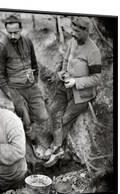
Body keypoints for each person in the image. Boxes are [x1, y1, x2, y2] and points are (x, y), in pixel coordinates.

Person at [45, 16, 102, 167]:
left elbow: (97, 78)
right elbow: (65, 59)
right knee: (52, 110)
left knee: (64, 119)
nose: (74, 34)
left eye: (77, 32)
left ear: (86, 31)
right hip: (66, 86)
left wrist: (76, 81)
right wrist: (62, 72)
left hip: (82, 94)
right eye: (73, 30)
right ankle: (55, 142)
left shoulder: (93, 51)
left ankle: (56, 149)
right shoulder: (72, 42)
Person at [0, 13, 49, 143]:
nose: (13, 36)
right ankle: (32, 139)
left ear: (21, 29)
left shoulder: (28, 42)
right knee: (24, 116)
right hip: (15, 88)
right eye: (10, 33)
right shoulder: (1, 48)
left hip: (30, 86)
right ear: (6, 31)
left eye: (16, 32)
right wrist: (10, 93)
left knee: (43, 116)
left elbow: (34, 64)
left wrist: (34, 81)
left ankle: (32, 123)